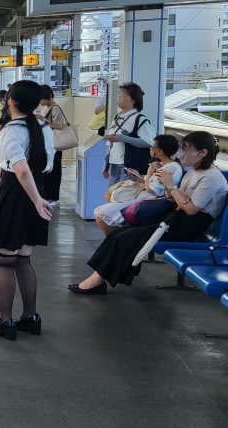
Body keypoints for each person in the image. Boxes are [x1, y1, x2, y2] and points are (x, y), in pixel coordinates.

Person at [70, 131, 226, 294]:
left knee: (125, 238)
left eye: (185, 148)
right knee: (119, 234)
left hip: (188, 226)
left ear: (202, 153)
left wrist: (171, 185)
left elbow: (191, 209)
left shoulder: (211, 177)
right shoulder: (194, 172)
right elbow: (177, 200)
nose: (181, 152)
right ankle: (98, 279)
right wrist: (166, 184)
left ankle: (96, 281)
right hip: (176, 219)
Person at [0, 80, 54, 340]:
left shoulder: (11, 129)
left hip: (16, 196)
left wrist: (34, 200)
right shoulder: (43, 126)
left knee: (4, 261)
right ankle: (30, 318)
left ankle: (6, 322)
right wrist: (39, 198)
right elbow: (45, 165)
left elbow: (21, 169)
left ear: (10, 100)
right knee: (23, 259)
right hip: (37, 190)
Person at [93, 134, 183, 236]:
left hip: (148, 201)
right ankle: (115, 244)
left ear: (161, 151)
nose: (150, 148)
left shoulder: (169, 168)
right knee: (103, 216)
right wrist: (138, 176)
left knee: (101, 216)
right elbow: (152, 185)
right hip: (144, 198)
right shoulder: (166, 165)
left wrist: (149, 172)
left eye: (153, 146)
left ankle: (113, 244)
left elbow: (152, 190)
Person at [102, 82, 155, 186]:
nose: (118, 97)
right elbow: (111, 145)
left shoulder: (139, 119)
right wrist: (106, 165)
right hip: (114, 164)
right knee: (111, 197)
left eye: (121, 95)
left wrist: (123, 138)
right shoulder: (117, 117)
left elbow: (150, 143)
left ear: (133, 99)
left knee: (123, 198)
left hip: (129, 166)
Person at [37, 85, 70, 207]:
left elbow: (60, 125)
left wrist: (44, 120)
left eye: (42, 99)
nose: (40, 101)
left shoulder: (55, 108)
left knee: (54, 171)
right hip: (48, 143)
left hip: (55, 145)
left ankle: (54, 197)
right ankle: (47, 195)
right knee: (48, 170)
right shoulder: (46, 107)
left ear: (49, 97)